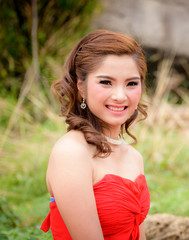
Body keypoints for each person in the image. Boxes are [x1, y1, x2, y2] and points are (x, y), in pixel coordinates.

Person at [40, 29, 150, 240]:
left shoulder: (134, 157)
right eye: (106, 82)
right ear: (81, 86)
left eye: (131, 83)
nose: (120, 96)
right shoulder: (71, 153)